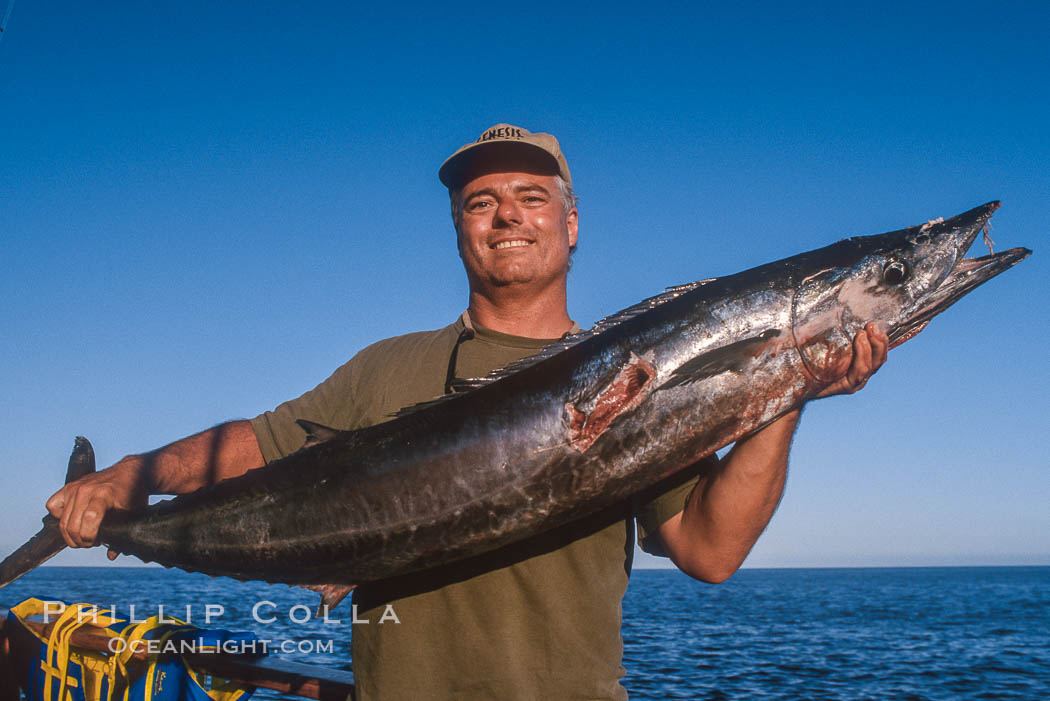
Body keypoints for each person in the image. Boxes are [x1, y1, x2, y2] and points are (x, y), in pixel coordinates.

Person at [46, 124, 887, 700]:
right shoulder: (387, 368)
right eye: (482, 202)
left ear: (571, 222)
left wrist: (786, 389)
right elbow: (257, 445)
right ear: (459, 228)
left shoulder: (643, 379)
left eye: (530, 194)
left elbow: (711, 550)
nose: (507, 214)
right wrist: (128, 480)